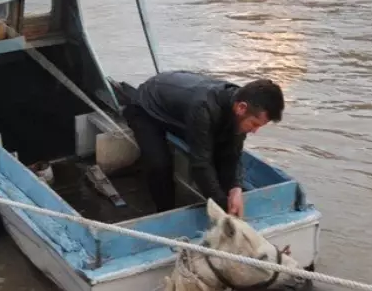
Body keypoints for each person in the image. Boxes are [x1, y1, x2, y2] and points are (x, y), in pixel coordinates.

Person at [121, 71, 284, 216]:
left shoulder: (238, 104)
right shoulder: (203, 109)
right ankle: (166, 212)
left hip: (178, 103)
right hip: (146, 106)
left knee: (221, 153)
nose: (254, 131)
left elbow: (232, 155)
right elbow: (200, 163)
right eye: (254, 124)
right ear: (241, 108)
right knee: (159, 164)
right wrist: (223, 209)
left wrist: (235, 189)